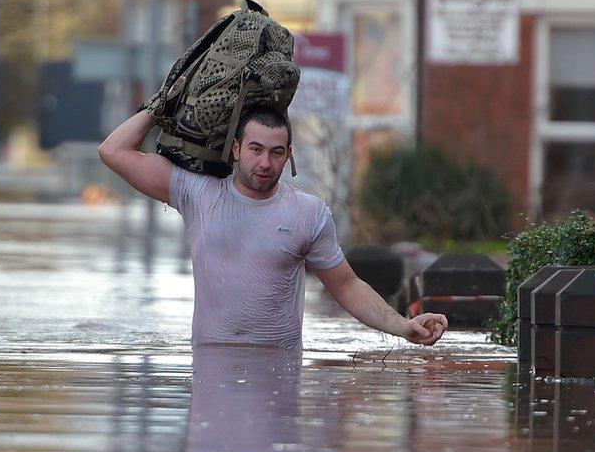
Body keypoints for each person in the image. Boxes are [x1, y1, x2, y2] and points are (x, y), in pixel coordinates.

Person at [98, 107, 447, 349]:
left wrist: (404, 326)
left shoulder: (308, 213)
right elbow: (113, 151)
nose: (265, 163)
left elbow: (347, 286)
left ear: (289, 154)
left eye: (276, 152)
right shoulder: (197, 192)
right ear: (235, 149)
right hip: (210, 362)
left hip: (278, 366)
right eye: (255, 149)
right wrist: (161, 104)